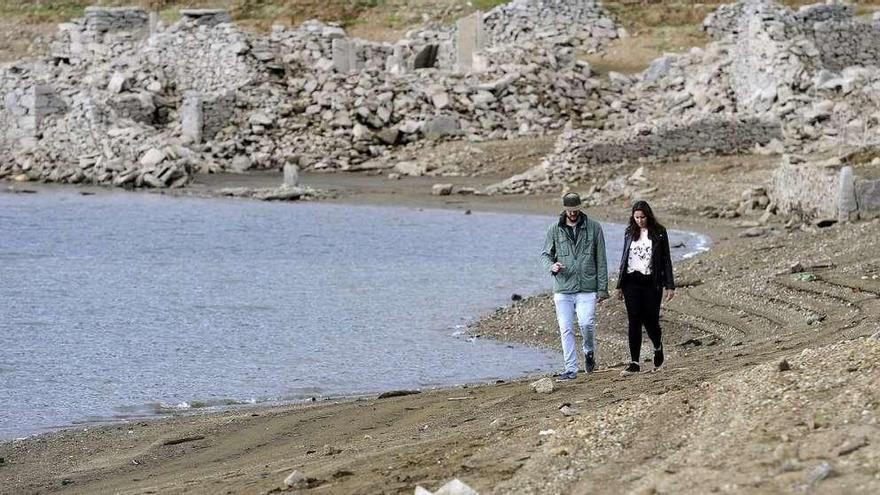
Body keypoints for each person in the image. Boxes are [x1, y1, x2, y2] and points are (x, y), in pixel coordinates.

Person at [541, 192, 609, 380]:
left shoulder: (594, 228)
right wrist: (552, 266)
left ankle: (588, 351)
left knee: (586, 323)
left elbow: (601, 259)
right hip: (563, 287)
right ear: (564, 209)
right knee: (566, 328)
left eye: (575, 210)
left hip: (587, 286)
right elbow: (545, 255)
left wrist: (603, 289)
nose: (572, 213)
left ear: (580, 208)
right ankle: (571, 368)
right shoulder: (554, 229)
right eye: (569, 210)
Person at [615, 200, 675, 376]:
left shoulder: (660, 232)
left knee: (651, 321)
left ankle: (657, 347)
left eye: (642, 217)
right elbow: (624, 259)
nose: (640, 221)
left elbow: (666, 260)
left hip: (651, 281)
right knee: (634, 320)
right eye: (636, 217)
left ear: (648, 216)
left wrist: (670, 285)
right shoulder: (629, 232)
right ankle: (634, 363)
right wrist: (619, 286)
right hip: (631, 281)